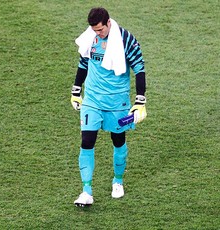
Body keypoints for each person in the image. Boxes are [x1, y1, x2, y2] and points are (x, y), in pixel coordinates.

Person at [71, 7, 147, 207]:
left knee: (118, 140)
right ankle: (86, 191)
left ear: (108, 23)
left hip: (117, 103)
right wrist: (76, 90)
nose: (98, 34)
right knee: (87, 141)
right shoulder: (90, 38)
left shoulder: (126, 39)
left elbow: (139, 67)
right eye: (94, 30)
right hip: (92, 100)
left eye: (100, 30)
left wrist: (140, 101)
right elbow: (83, 64)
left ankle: (118, 181)